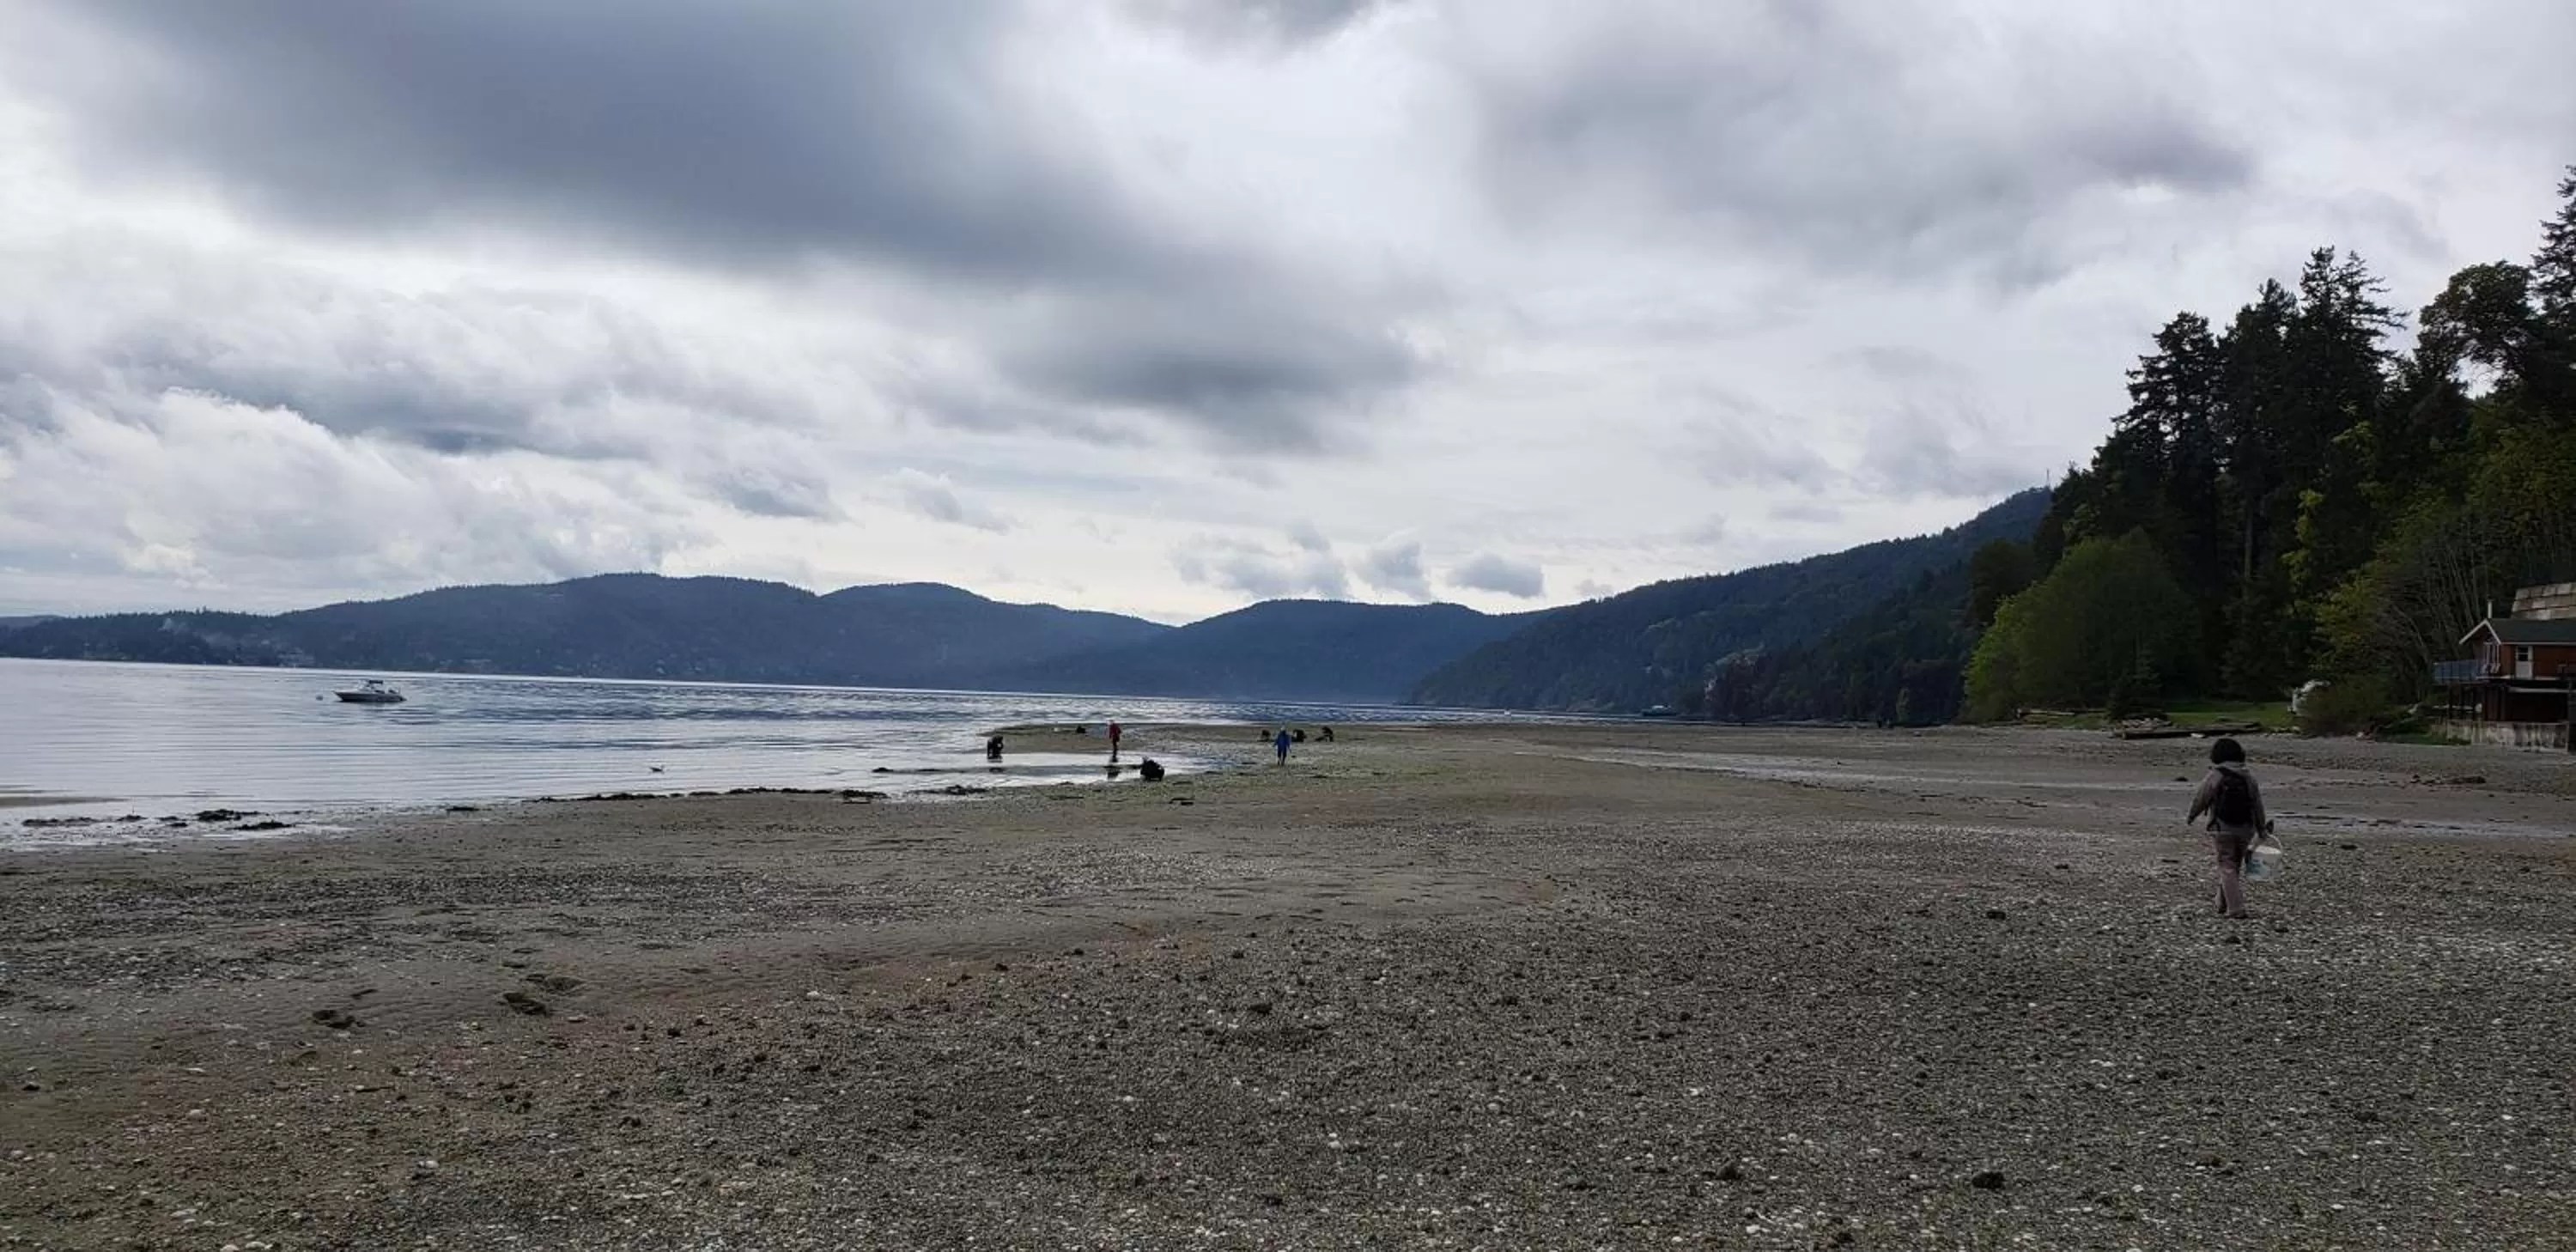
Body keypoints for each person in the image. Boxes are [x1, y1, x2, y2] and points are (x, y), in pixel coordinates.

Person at [2184, 737, 2271, 919]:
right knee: (2234, 866)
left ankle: (2236, 908)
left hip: (2222, 827)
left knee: (2226, 866)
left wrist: (2192, 815)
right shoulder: (2248, 776)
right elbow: (2257, 804)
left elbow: (2202, 797)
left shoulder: (2216, 775)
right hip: (2245, 829)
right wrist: (2261, 828)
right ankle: (2221, 902)